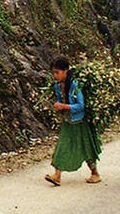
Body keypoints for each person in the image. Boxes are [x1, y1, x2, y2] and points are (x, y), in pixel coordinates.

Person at [44, 56, 102, 186]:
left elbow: (81, 105)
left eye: (57, 72)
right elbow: (61, 100)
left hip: (79, 123)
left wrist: (64, 106)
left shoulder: (75, 85)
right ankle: (57, 176)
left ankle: (95, 173)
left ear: (65, 71)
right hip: (68, 122)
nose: (55, 75)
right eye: (53, 72)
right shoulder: (58, 86)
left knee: (86, 149)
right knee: (61, 147)